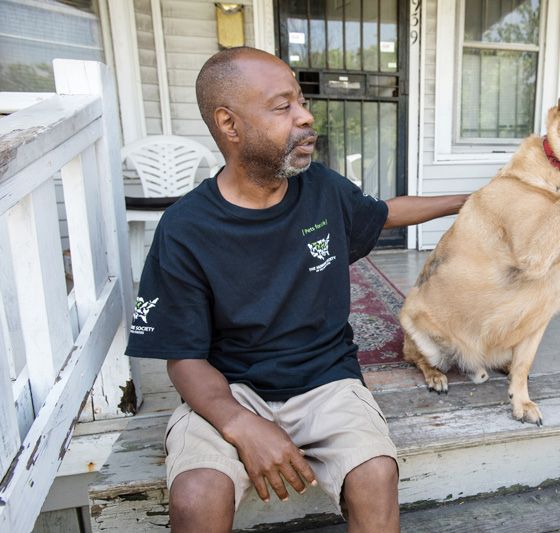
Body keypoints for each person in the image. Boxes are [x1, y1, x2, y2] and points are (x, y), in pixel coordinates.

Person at [125, 46, 467, 533]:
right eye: (283, 106)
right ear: (229, 124)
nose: (306, 116)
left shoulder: (323, 189)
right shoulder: (184, 229)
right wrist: (241, 425)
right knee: (196, 495)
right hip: (230, 388)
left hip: (327, 380)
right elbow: (183, 357)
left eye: (301, 101)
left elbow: (383, 213)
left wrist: (467, 202)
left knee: (376, 474)